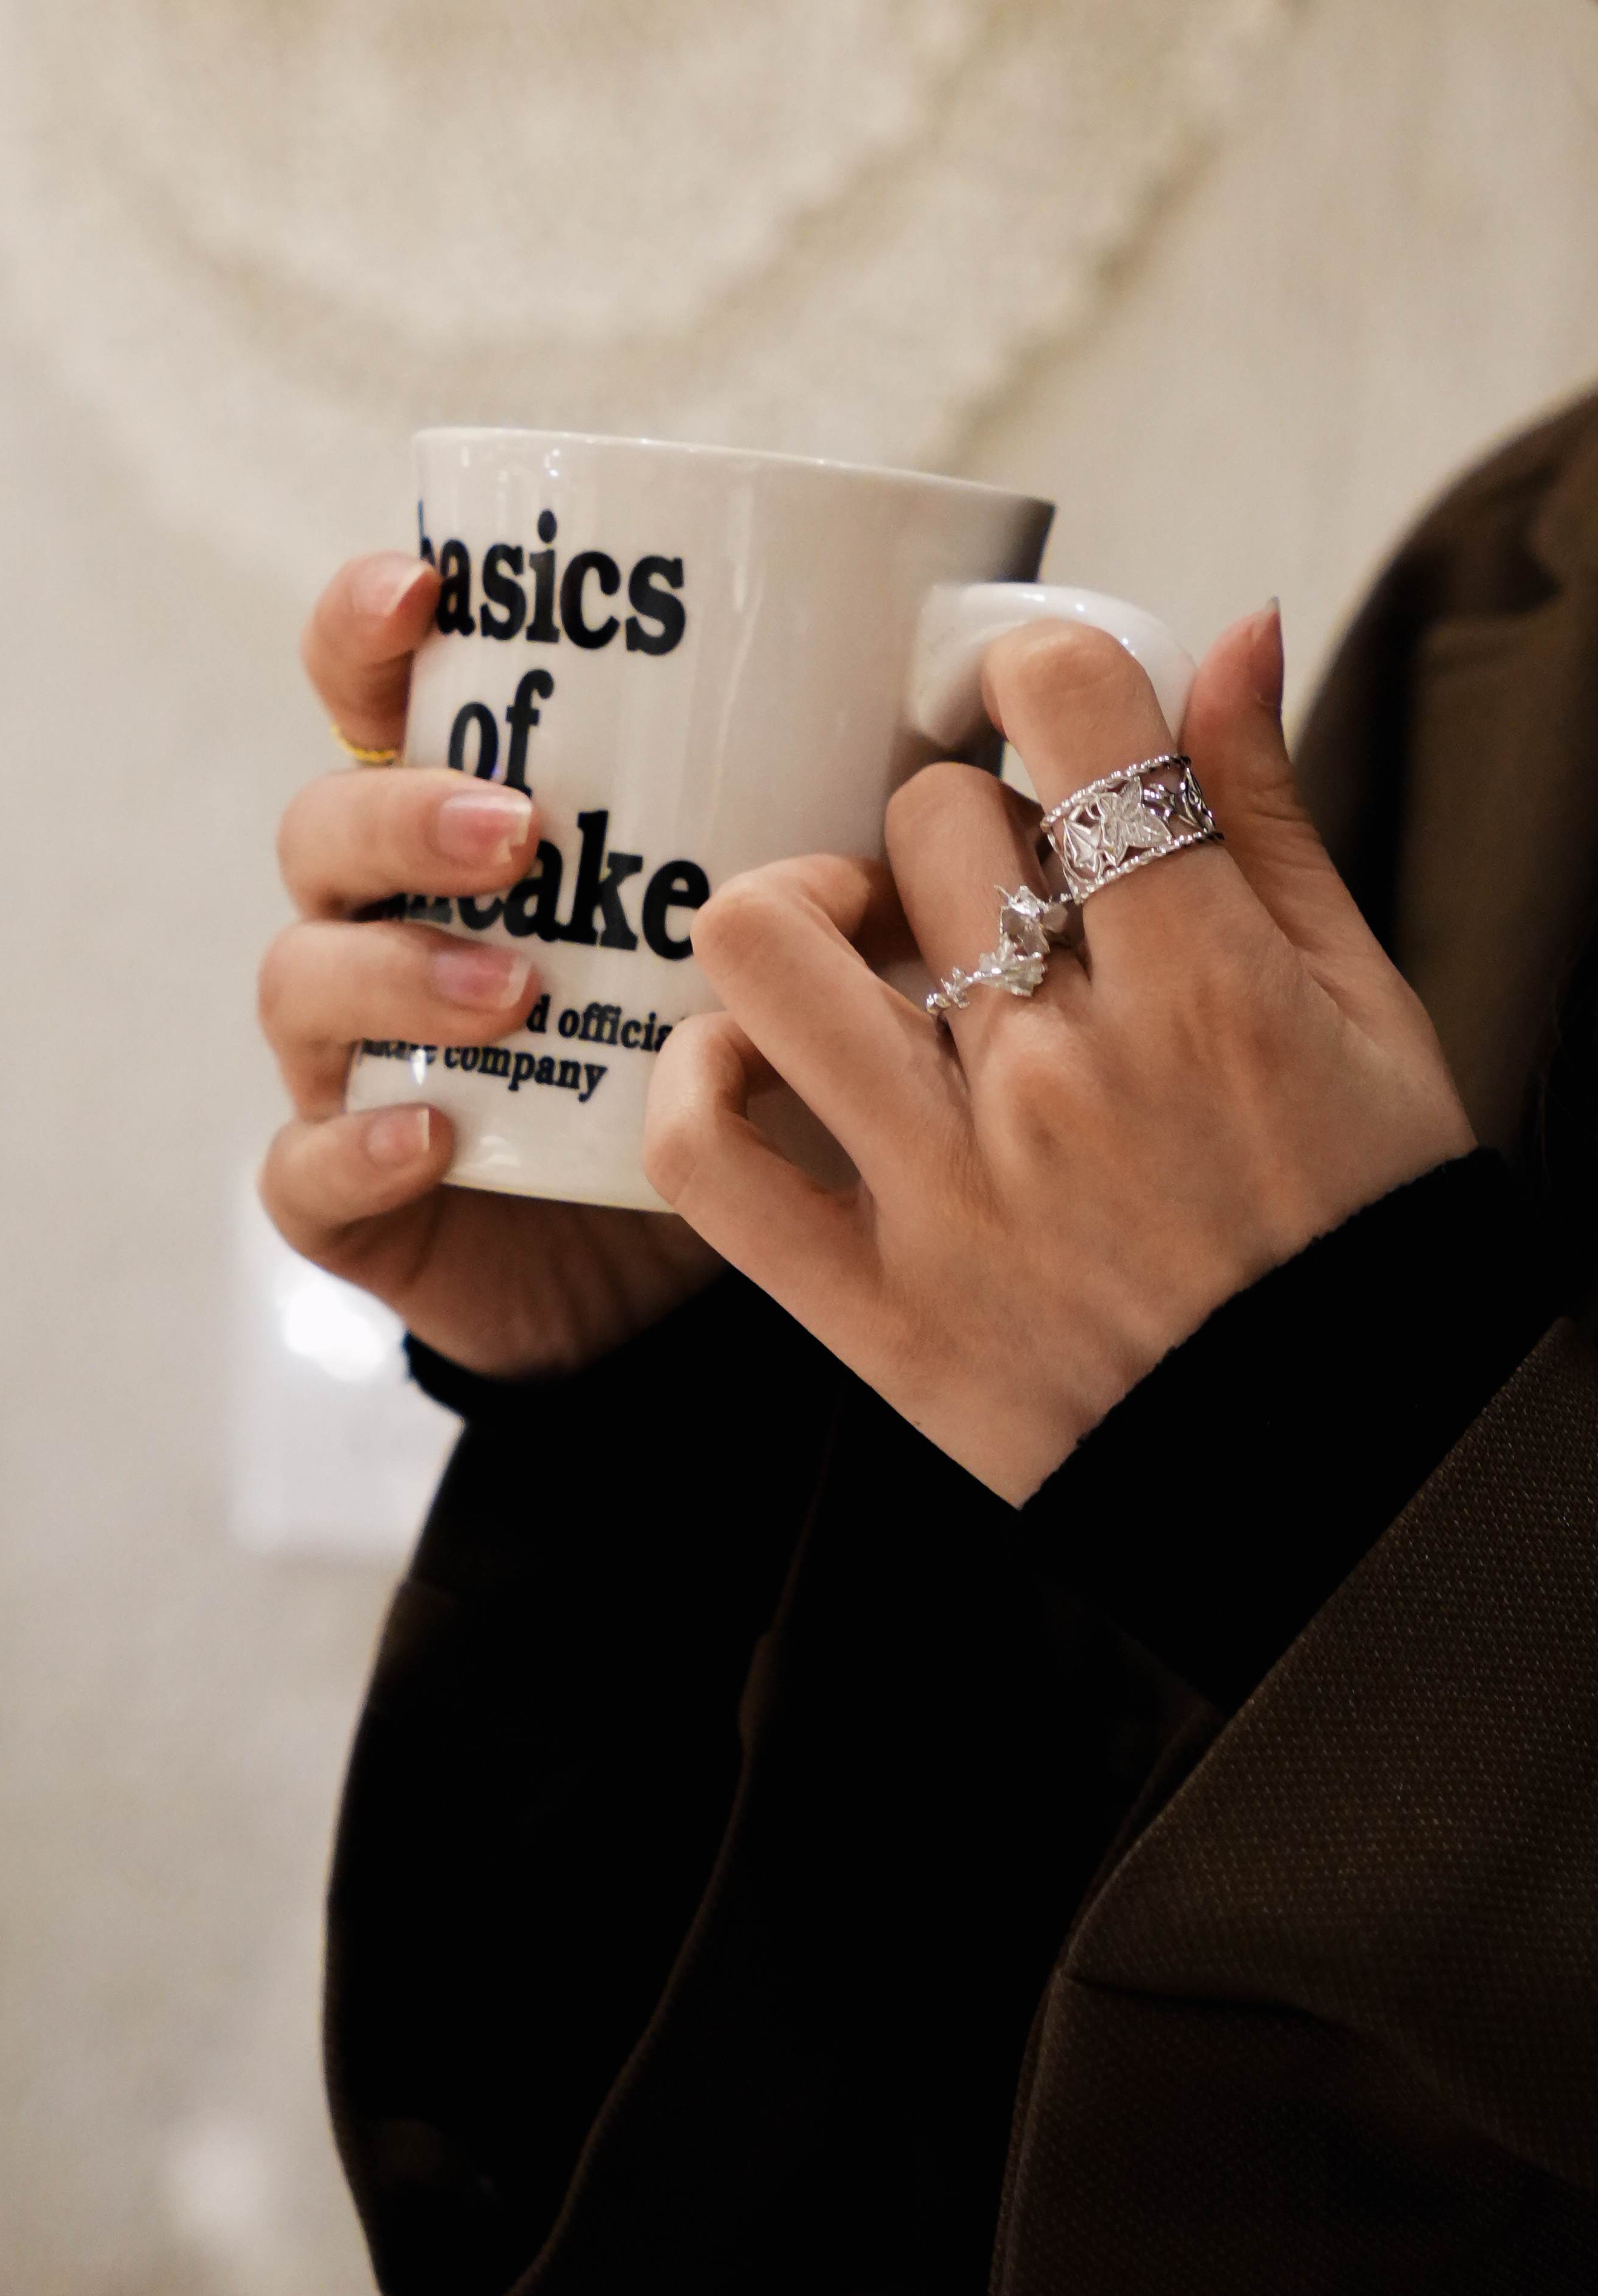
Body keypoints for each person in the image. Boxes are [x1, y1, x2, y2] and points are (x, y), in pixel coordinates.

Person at [259, 392, 1598, 2295]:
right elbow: (1010, 1929)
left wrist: (1357, 1479)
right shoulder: (1533, 581)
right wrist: (681, 1376)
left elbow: (1301, 1514)